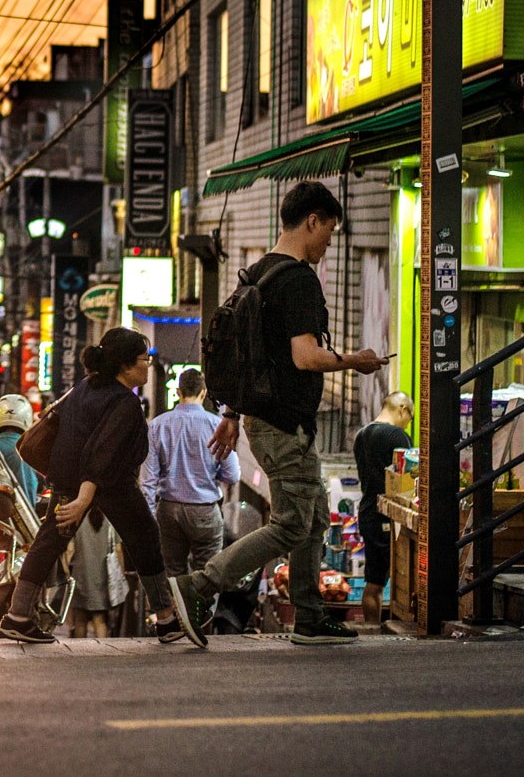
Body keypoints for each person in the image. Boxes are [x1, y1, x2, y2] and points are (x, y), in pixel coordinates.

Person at [172, 181, 382, 649]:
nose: (329, 241)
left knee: (313, 520)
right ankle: (198, 586)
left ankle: (309, 616)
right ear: (312, 220)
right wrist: (356, 360)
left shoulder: (258, 273)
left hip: (265, 422)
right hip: (286, 424)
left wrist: (230, 412)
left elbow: (250, 356)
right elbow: (305, 357)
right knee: (290, 522)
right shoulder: (299, 280)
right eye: (329, 229)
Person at [0, 328, 185, 645]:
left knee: (49, 542)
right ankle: (166, 618)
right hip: (110, 485)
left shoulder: (86, 387)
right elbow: (102, 452)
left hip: (67, 480)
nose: (147, 365)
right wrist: (85, 498)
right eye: (144, 359)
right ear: (126, 365)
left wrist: (77, 493)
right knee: (146, 537)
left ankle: (18, 616)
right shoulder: (125, 403)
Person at [143, 366, 239, 577]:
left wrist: (150, 517)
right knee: (208, 574)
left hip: (168, 509)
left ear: (178, 392)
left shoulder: (158, 425)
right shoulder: (216, 425)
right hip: (205, 510)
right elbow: (232, 474)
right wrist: (211, 473)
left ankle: (179, 610)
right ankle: (201, 610)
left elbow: (148, 480)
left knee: (173, 573)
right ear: (204, 393)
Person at [354, 392, 415, 626]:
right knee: (399, 579)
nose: (408, 422)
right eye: (409, 416)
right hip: (390, 515)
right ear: (402, 409)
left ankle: (371, 628)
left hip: (368, 510)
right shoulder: (397, 436)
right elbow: (408, 477)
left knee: (374, 581)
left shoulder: (362, 434)